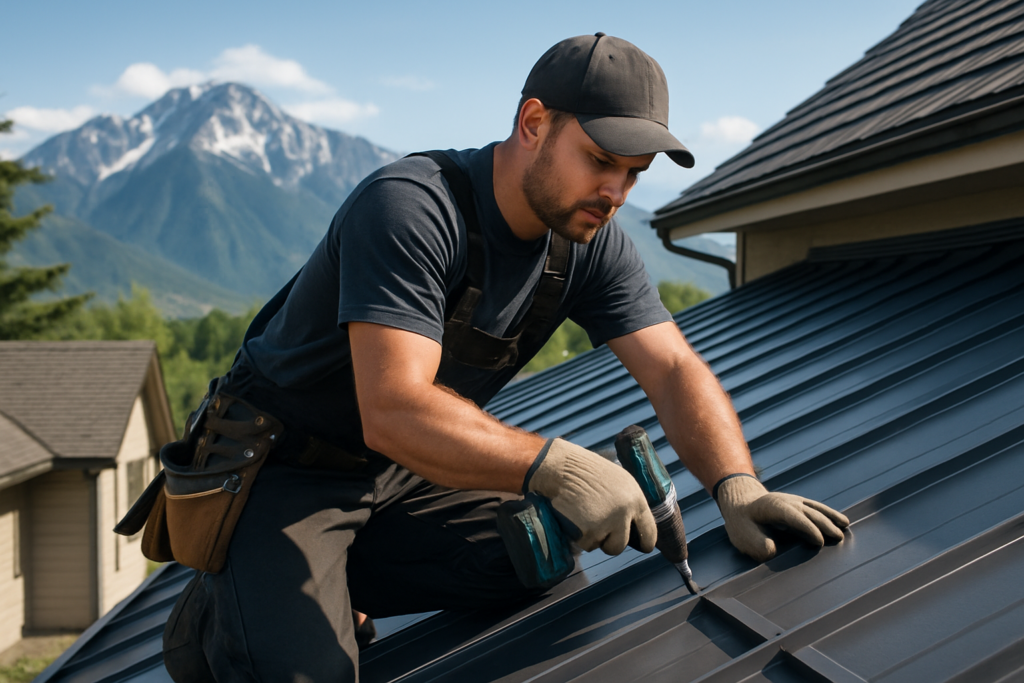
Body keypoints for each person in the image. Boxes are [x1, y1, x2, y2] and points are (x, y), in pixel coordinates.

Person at [161, 33, 849, 683]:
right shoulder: (411, 207)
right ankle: (220, 614)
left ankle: (328, 575)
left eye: (634, 175)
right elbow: (394, 409)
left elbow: (673, 369)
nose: (615, 192)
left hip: (401, 473)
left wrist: (737, 485)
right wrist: (555, 463)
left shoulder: (588, 241)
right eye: (601, 160)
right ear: (533, 123)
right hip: (282, 476)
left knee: (540, 552)